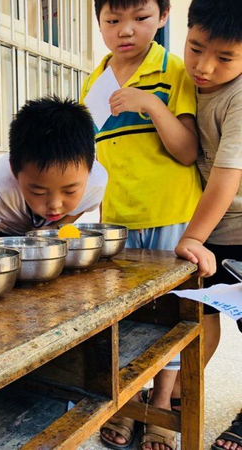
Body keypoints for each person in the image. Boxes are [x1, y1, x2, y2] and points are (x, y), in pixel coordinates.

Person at [81, 0, 203, 448]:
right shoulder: (94, 82)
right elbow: (94, 160)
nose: (126, 30)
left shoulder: (175, 71)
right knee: (126, 319)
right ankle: (130, 403)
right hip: (117, 219)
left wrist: (150, 104)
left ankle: (161, 408)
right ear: (99, 22)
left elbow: (187, 151)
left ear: (163, 17)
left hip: (171, 213)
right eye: (113, 21)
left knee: (170, 315)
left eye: (140, 18)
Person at [173, 1, 242, 449]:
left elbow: (226, 177)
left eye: (225, 57)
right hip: (211, 230)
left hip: (234, 230)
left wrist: (193, 236)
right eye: (196, 48)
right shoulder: (184, 83)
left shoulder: (239, 98)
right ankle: (179, 395)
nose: (204, 67)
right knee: (202, 316)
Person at [0, 96, 108, 245]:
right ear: (14, 170)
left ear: (89, 170)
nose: (55, 205)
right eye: (38, 192)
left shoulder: (96, 183)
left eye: (70, 191)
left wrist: (52, 228)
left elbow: (82, 205)